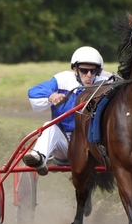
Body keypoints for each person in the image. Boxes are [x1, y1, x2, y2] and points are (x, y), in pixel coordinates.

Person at [22, 46, 108, 175]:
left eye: (93, 71)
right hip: (67, 146)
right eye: (84, 70)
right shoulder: (62, 80)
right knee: (49, 127)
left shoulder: (105, 84)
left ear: (99, 71)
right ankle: (39, 159)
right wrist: (51, 96)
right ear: (75, 69)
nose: (89, 75)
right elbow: (34, 91)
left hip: (95, 145)